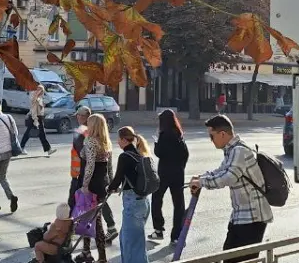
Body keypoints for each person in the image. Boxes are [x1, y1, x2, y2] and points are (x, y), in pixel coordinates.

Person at [190, 116, 272, 263]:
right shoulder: (232, 150)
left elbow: (228, 177)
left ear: (222, 134)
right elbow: (220, 171)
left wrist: (202, 182)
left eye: (211, 135)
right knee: (228, 257)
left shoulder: (239, 151)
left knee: (239, 260)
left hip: (252, 218)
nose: (211, 140)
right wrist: (200, 177)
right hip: (241, 217)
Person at [107, 126, 152, 263]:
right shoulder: (139, 153)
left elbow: (117, 178)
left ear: (124, 140)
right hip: (143, 202)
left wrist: (109, 189)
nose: (117, 143)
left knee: (132, 245)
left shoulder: (125, 156)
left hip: (133, 204)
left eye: (118, 140)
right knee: (131, 240)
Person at [79, 113, 115, 263]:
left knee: (93, 221)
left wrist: (85, 185)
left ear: (92, 126)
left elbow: (90, 165)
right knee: (89, 218)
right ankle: (86, 251)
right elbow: (109, 167)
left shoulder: (91, 141)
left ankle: (101, 257)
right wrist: (111, 184)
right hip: (103, 184)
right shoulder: (106, 142)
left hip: (92, 184)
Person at [151, 109, 188, 243]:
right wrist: (180, 167)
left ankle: (158, 229)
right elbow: (185, 153)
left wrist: (156, 141)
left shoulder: (164, 134)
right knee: (178, 204)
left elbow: (159, 153)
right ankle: (176, 235)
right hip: (178, 173)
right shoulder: (178, 134)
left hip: (164, 172)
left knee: (156, 199)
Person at [21, 85, 53, 155]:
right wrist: (35, 119)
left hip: (39, 117)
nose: (40, 91)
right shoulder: (34, 97)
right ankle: (21, 147)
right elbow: (33, 105)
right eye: (38, 89)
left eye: (41, 90)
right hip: (35, 117)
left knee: (41, 134)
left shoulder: (40, 98)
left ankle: (48, 149)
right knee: (29, 133)